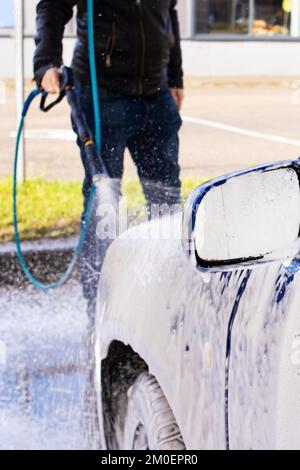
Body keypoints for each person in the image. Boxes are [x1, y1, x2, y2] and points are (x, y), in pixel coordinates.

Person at [34, 0, 184, 318]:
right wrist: (46, 61)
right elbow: (52, 5)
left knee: (166, 202)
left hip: (156, 96)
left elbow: (169, 13)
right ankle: (101, 309)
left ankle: (167, 298)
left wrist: (175, 77)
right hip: (103, 95)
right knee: (104, 207)